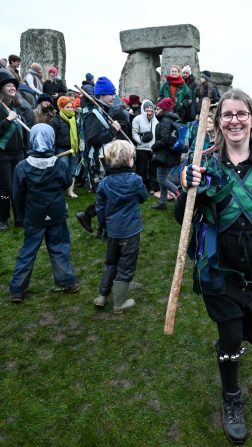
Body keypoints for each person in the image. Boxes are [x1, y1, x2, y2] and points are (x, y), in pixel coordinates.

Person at [178, 88, 252, 444]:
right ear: (216, 122)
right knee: (230, 337)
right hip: (218, 271)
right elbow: (180, 217)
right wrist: (188, 190)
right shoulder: (203, 165)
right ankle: (231, 396)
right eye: (226, 115)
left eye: (240, 114)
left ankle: (238, 342)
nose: (234, 121)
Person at [9, 124, 79, 303]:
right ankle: (68, 281)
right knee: (60, 246)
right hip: (56, 212)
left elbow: (17, 195)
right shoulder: (59, 165)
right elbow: (66, 182)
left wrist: (22, 213)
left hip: (34, 215)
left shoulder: (22, 167)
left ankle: (18, 289)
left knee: (28, 250)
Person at [93, 140, 148, 313]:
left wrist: (104, 224)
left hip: (112, 230)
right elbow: (144, 197)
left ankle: (102, 295)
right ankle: (118, 304)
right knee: (126, 266)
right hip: (130, 231)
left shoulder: (104, 183)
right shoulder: (136, 180)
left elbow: (99, 208)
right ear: (130, 160)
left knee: (111, 262)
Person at [0, 68, 36, 231]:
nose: (13, 87)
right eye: (8, 86)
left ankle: (20, 217)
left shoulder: (16, 105)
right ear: (1, 89)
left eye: (14, 85)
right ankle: (4, 219)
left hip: (18, 152)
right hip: (0, 155)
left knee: (19, 186)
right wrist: (8, 119)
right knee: (5, 188)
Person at [75, 76, 124, 233]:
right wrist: (112, 131)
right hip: (97, 162)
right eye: (111, 94)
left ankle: (89, 218)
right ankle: (102, 228)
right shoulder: (93, 114)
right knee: (108, 195)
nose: (113, 97)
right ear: (101, 95)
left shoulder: (100, 110)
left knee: (106, 196)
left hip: (104, 159)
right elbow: (94, 139)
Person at [150, 97, 182, 210]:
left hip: (164, 155)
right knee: (162, 178)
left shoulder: (165, 121)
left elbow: (165, 139)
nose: (156, 110)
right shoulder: (173, 120)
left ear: (163, 109)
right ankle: (163, 202)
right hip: (171, 154)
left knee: (161, 179)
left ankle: (179, 194)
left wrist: (153, 147)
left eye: (158, 108)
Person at [49, 96, 80, 198]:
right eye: (68, 107)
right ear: (61, 108)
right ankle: (60, 190)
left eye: (71, 107)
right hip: (62, 149)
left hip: (75, 148)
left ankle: (70, 191)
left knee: (73, 170)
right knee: (62, 169)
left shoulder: (75, 118)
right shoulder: (55, 120)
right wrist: (52, 151)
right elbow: (52, 136)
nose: (71, 109)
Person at [131, 99, 158, 192]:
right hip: (142, 148)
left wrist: (155, 145)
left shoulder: (155, 120)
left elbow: (156, 133)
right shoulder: (137, 119)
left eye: (151, 107)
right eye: (147, 108)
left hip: (153, 148)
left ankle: (152, 187)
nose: (149, 109)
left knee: (153, 169)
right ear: (144, 109)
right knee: (141, 169)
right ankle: (141, 187)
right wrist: (140, 141)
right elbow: (134, 133)